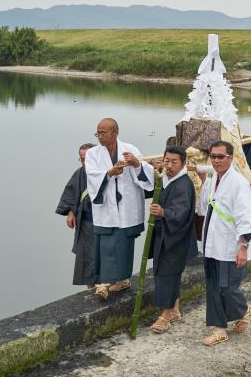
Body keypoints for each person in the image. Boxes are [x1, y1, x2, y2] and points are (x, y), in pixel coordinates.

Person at [199, 141, 251, 346]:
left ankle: (244, 310)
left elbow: (247, 217)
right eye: (213, 156)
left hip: (231, 244)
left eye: (221, 156)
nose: (216, 160)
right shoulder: (211, 181)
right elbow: (203, 210)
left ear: (231, 158)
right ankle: (218, 329)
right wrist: (202, 180)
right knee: (212, 286)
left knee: (227, 288)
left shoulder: (238, 183)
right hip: (212, 243)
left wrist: (243, 247)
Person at [86, 118, 154, 301]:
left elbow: (147, 175)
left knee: (124, 243)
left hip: (127, 207)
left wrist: (136, 164)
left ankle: (123, 280)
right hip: (107, 208)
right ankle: (104, 283)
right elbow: (92, 176)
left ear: (115, 132)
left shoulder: (130, 150)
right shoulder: (93, 153)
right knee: (106, 244)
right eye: (97, 132)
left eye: (103, 132)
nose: (100, 136)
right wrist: (109, 173)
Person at [148, 146, 196, 334]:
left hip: (176, 237)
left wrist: (164, 212)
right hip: (166, 234)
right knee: (169, 273)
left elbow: (182, 211)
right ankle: (175, 309)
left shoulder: (183, 184)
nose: (169, 165)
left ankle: (165, 315)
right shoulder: (166, 179)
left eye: (174, 162)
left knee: (168, 275)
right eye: (166, 161)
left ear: (183, 163)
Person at [55, 143, 96, 288]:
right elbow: (71, 194)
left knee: (103, 260)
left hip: (103, 225)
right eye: (82, 159)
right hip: (85, 225)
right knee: (86, 260)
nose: (85, 162)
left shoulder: (107, 172)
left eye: (88, 158)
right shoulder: (79, 174)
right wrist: (70, 213)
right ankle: (90, 291)